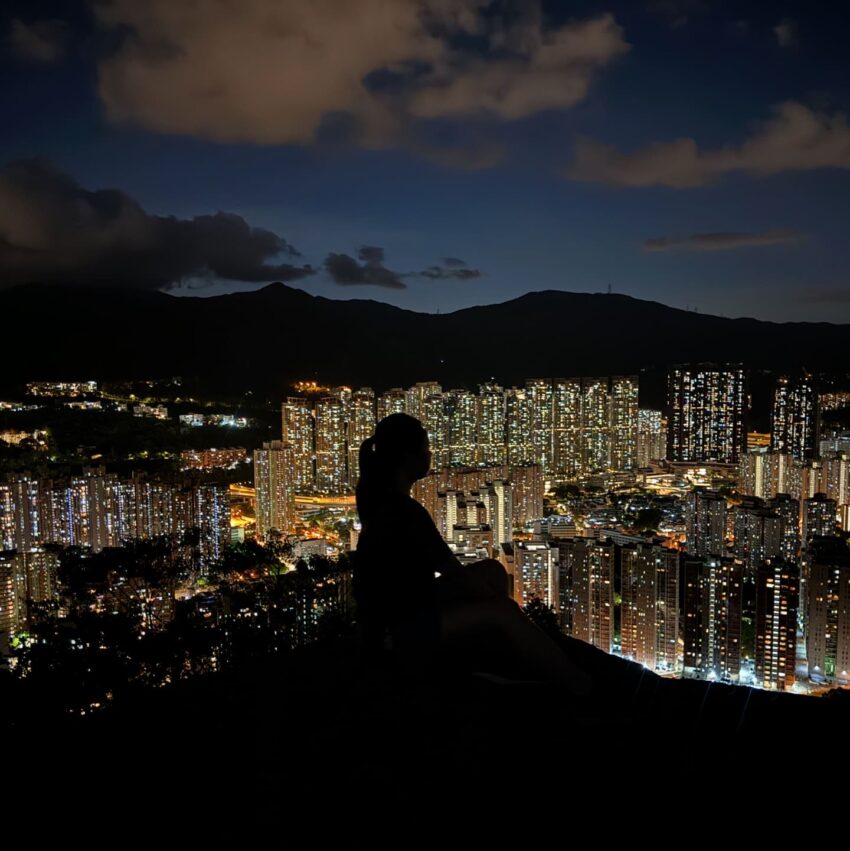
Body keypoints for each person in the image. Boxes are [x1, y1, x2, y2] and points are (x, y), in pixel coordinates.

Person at [352, 412, 592, 696]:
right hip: (395, 630)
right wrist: (497, 606)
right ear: (408, 458)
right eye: (426, 449)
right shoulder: (405, 511)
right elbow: (453, 572)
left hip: (404, 606)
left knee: (492, 570)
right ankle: (585, 691)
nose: (430, 454)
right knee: (503, 610)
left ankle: (495, 654)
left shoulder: (379, 497)